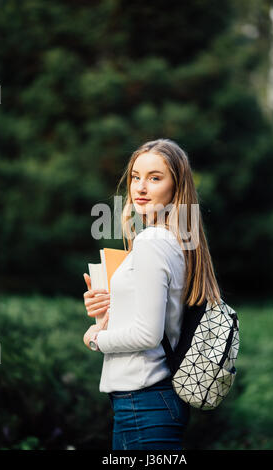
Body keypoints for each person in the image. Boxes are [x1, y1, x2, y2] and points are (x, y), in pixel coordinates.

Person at [83, 138, 221, 450]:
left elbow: (147, 335)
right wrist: (107, 315)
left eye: (155, 178)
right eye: (136, 177)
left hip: (143, 402)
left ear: (176, 187)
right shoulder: (175, 240)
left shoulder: (152, 242)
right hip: (153, 401)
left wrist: (95, 338)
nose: (141, 187)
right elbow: (157, 322)